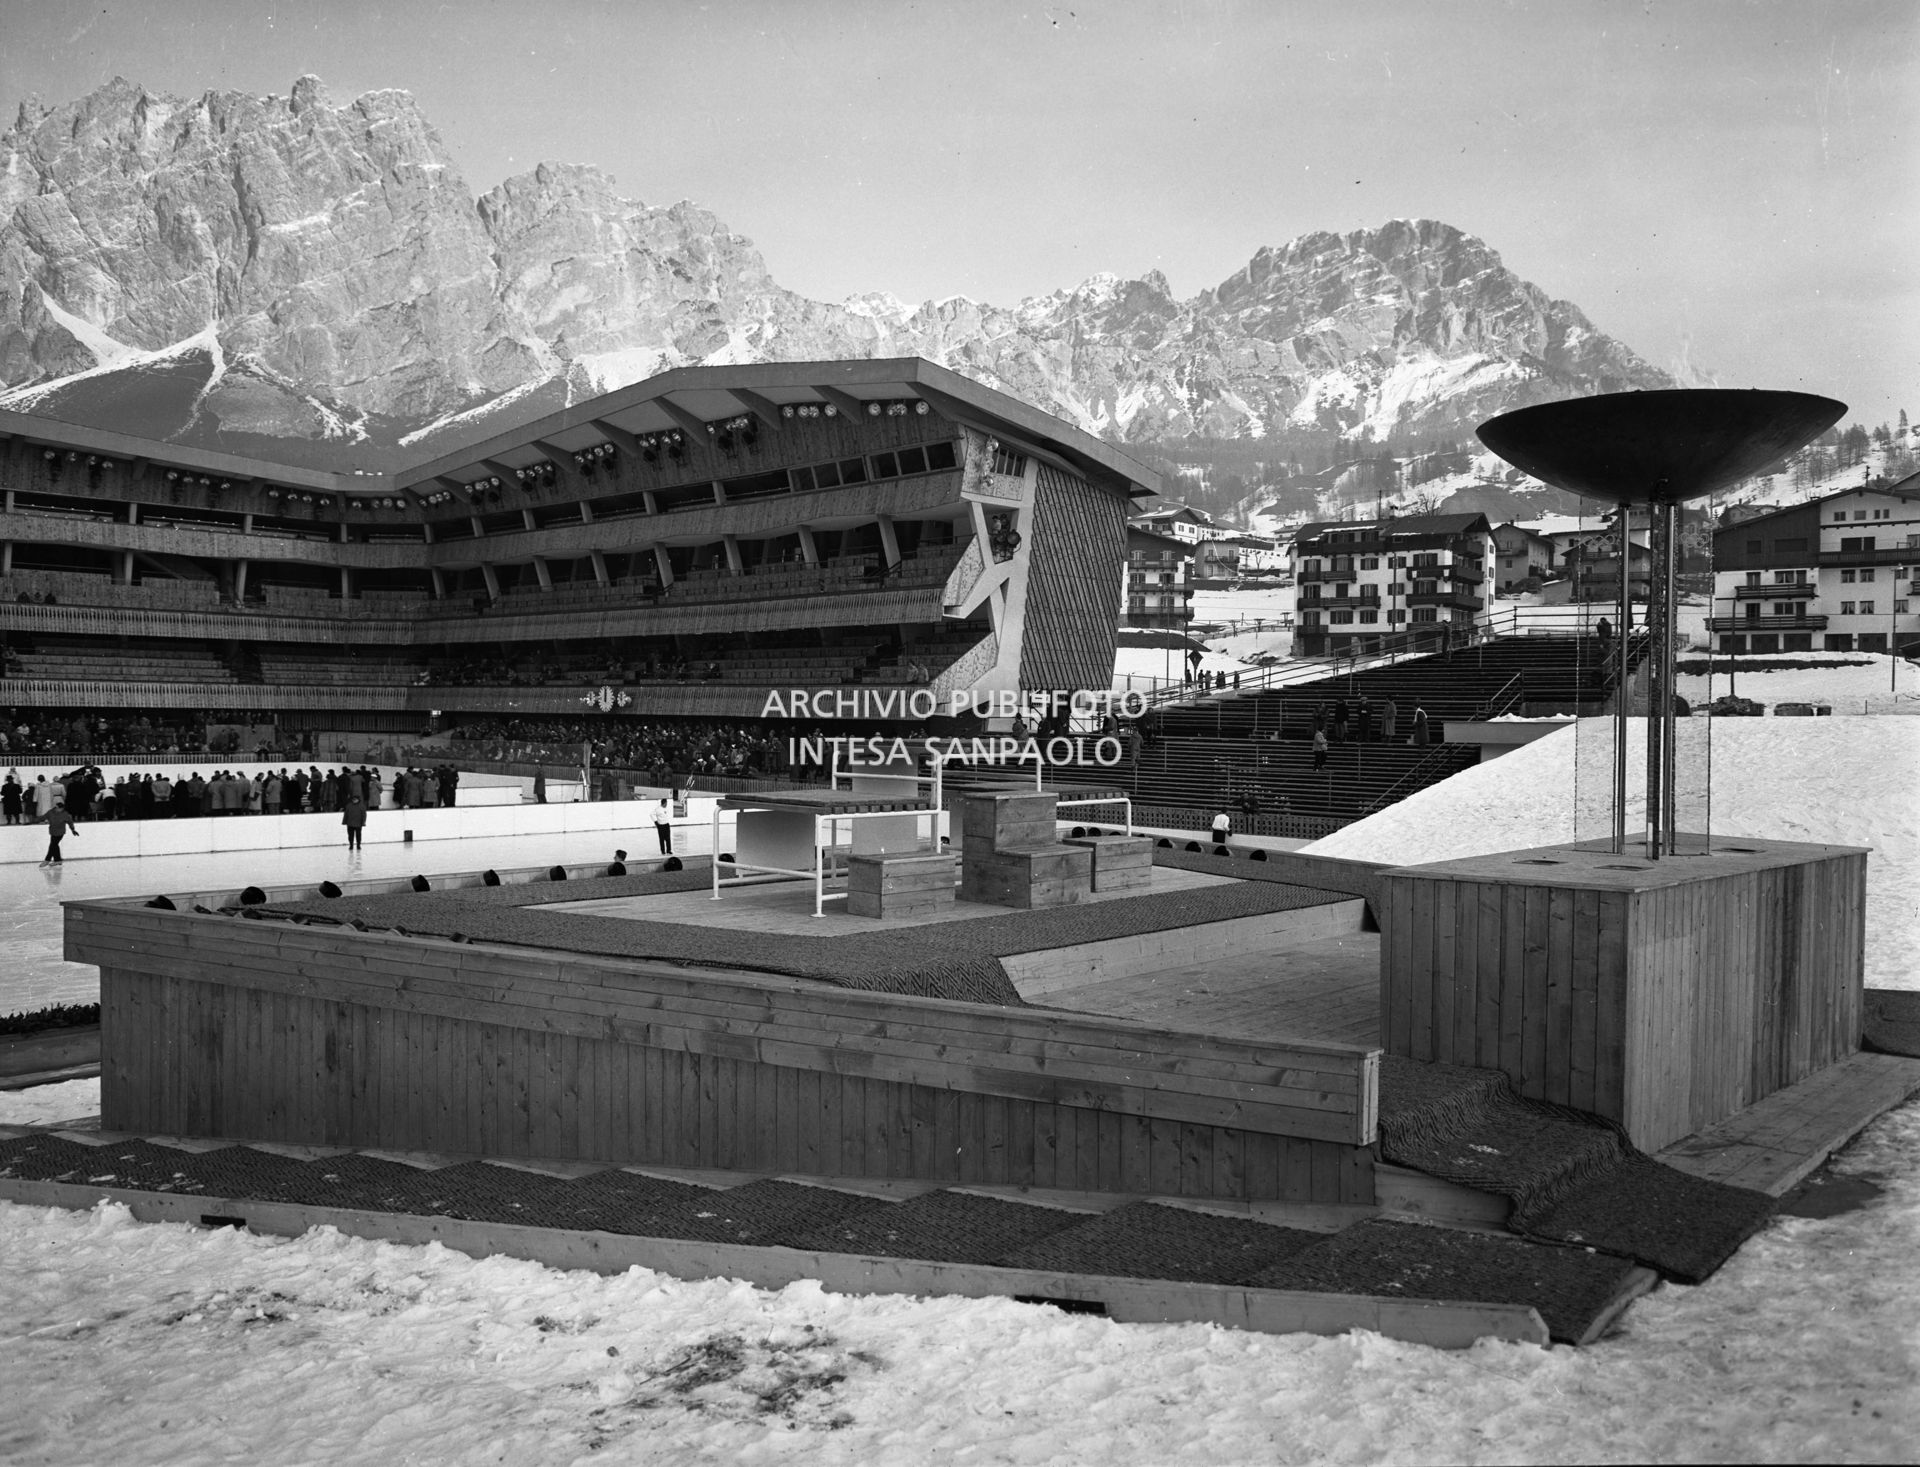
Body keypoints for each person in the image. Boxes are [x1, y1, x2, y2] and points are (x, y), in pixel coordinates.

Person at [41, 800, 77, 866]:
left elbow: (70, 822)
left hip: (60, 833)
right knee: (55, 845)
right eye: (56, 808)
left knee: (52, 845)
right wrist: (36, 820)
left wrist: (73, 830)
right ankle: (57, 860)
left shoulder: (65, 814)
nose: (57, 809)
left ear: (62, 809)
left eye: (58, 808)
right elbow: (44, 817)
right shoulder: (51, 812)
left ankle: (47, 860)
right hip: (52, 831)